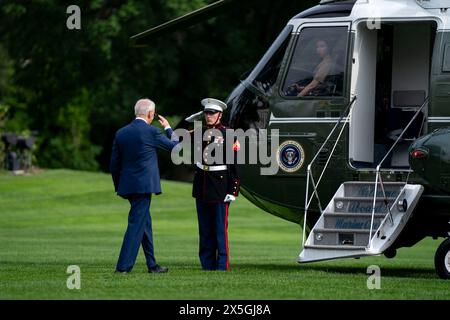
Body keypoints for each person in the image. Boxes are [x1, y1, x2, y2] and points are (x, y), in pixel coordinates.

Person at [110, 98, 179, 274]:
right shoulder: (152, 131)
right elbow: (175, 147)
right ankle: (123, 267)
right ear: (150, 114)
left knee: (144, 224)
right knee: (136, 225)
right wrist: (169, 128)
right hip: (144, 187)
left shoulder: (121, 133)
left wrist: (119, 187)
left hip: (128, 187)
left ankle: (152, 265)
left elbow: (114, 164)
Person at [187, 98, 240, 271]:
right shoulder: (199, 132)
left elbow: (234, 166)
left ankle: (221, 264)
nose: (208, 116)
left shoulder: (229, 134)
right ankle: (207, 264)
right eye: (206, 113)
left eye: (212, 113)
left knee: (219, 228)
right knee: (205, 228)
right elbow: (176, 138)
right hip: (202, 184)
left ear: (220, 115)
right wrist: (191, 120)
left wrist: (234, 189)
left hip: (220, 186)